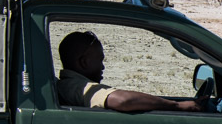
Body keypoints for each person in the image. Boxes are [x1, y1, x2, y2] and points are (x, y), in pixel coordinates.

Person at [56, 30, 208, 112]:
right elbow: (123, 100)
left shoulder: (69, 85)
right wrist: (177, 106)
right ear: (84, 62)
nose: (102, 67)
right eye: (100, 60)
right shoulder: (76, 87)